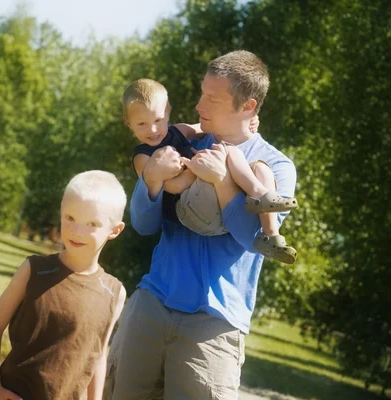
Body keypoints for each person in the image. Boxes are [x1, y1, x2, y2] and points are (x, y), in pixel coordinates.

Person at [105, 50, 298, 399]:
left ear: (248, 106)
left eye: (212, 97)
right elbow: (144, 225)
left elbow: (254, 239)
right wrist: (151, 180)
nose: (198, 104)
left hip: (215, 326)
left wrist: (224, 183)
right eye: (201, 92)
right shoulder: (181, 145)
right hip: (151, 305)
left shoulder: (276, 167)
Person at [0, 170, 127, 400]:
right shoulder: (33, 269)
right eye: (70, 218)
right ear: (60, 211)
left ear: (114, 230)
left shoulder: (114, 292)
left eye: (92, 224)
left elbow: (97, 354)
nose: (77, 231)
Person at [123, 78, 297, 263]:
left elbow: (203, 127)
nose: (153, 129)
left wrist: (247, 119)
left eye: (158, 120)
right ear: (129, 124)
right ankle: (256, 194)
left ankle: (270, 231)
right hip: (188, 208)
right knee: (226, 151)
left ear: (167, 112)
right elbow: (173, 187)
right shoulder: (143, 157)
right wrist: (198, 169)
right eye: (142, 124)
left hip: (211, 201)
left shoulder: (178, 131)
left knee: (260, 168)